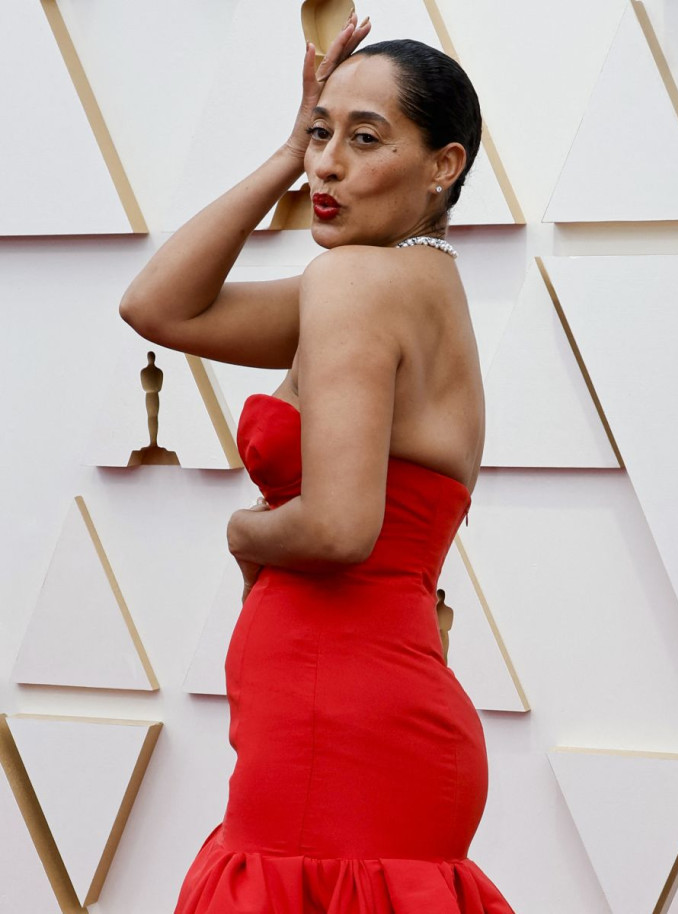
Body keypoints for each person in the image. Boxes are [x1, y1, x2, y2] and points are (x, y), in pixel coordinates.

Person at [120, 12, 515, 914]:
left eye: (363, 139)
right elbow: (157, 308)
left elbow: (339, 528)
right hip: (364, 716)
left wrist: (239, 527)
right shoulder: (416, 287)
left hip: (334, 726)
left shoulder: (352, 286)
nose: (324, 167)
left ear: (443, 166)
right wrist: (281, 151)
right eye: (319, 133)